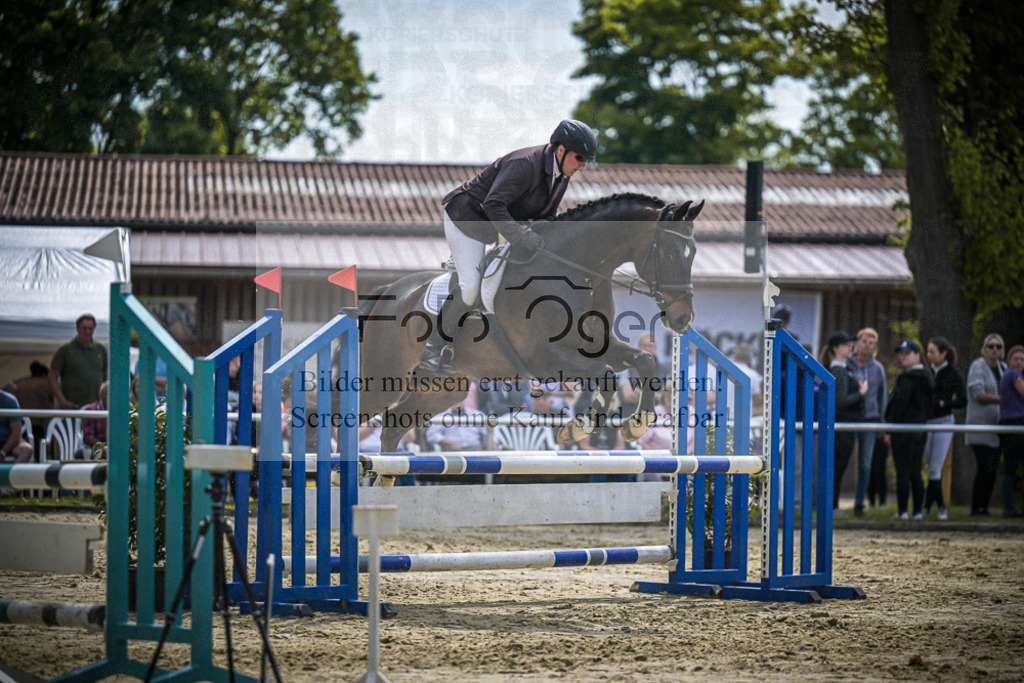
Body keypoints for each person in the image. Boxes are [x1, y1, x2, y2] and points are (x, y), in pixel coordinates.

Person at [418, 119, 599, 376]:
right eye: (580, 158)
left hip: (498, 225)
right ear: (561, 150)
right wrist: (522, 237)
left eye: (587, 160)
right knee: (471, 287)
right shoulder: (524, 164)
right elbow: (493, 204)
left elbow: (546, 215)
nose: (583, 165)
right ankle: (433, 349)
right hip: (467, 220)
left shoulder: (562, 174)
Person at [885, 340, 934, 520]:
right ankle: (917, 512)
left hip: (904, 431)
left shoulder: (908, 379)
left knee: (904, 471)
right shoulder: (927, 378)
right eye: (902, 353)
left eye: (907, 353)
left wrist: (890, 426)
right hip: (920, 431)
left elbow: (899, 405)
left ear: (917, 355)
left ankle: (903, 511)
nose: (903, 356)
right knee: (915, 471)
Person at [819, 331, 867, 513]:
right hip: (841, 425)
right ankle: (831, 506)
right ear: (835, 348)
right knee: (837, 467)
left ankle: (831, 505)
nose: (850, 347)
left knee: (837, 466)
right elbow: (839, 402)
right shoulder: (839, 370)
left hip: (844, 424)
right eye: (846, 344)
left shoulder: (844, 368)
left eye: (850, 343)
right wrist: (860, 393)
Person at [922, 337, 967, 520]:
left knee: (935, 466)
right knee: (931, 467)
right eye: (928, 351)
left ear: (943, 354)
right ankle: (941, 505)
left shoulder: (953, 373)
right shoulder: (925, 372)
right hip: (926, 422)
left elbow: (963, 400)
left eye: (932, 352)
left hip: (943, 421)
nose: (929, 355)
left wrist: (945, 403)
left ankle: (926, 508)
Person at [847, 328, 888, 515]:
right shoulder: (847, 364)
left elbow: (882, 397)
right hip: (849, 417)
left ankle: (859, 504)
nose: (867, 345)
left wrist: (882, 424)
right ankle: (832, 505)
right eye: (864, 341)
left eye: (872, 343)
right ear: (857, 343)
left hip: (870, 419)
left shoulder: (878, 369)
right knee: (841, 461)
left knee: (865, 464)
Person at [965, 333, 1006, 516]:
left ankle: (984, 508)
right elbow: (978, 394)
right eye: (991, 346)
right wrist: (1003, 399)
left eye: (998, 346)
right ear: (985, 349)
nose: (994, 349)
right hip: (979, 427)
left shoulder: (1004, 368)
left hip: (998, 427)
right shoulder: (977, 366)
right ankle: (976, 507)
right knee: (985, 467)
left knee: (993, 469)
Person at [49, 314, 108, 409]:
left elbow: (107, 377)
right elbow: (52, 377)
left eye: (90, 328)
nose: (87, 331)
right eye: (84, 328)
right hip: (73, 408)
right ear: (77, 328)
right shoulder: (65, 350)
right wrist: (62, 401)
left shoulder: (101, 349)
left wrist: (105, 400)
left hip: (96, 408)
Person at [998, 345, 1024, 518]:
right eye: (1016, 359)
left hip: (1011, 422)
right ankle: (1009, 508)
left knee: (1011, 467)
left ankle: (1009, 508)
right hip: (1014, 423)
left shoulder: (1012, 375)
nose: (1019, 362)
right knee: (1011, 467)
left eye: (1022, 359)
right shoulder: (1013, 374)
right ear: (1009, 360)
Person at [10, 361, 54, 459]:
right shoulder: (45, 384)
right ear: (44, 375)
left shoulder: (20, 385)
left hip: (20, 423)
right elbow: (52, 400)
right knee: (38, 449)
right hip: (39, 422)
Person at [0, 390, 34, 465]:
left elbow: (16, 432)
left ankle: (12, 471)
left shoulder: (10, 400)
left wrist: (3, 452)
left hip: (11, 442)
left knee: (27, 450)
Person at [79, 381, 109, 459]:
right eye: (108, 393)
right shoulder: (90, 411)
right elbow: (88, 437)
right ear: (100, 395)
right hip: (96, 447)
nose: (112, 397)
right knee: (86, 452)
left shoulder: (121, 410)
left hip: (116, 447)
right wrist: (103, 447)